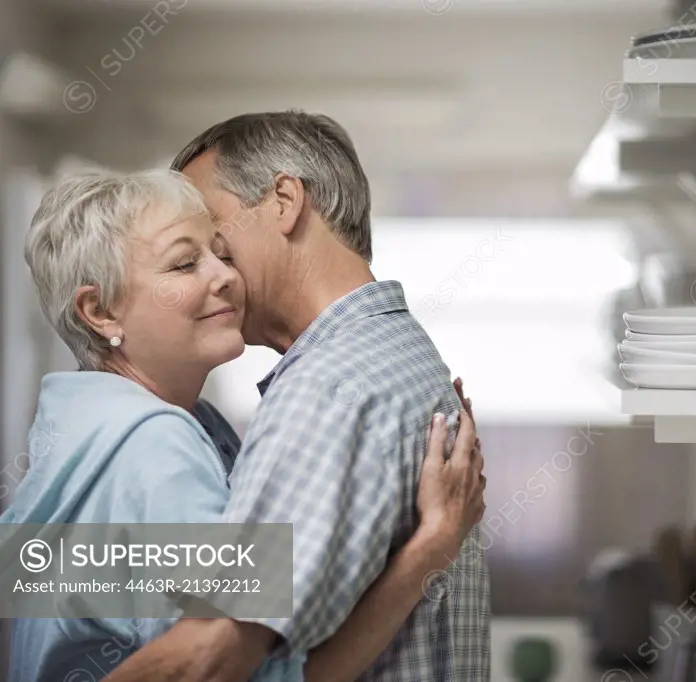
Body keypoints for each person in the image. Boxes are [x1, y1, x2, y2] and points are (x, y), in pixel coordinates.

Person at [4, 168, 486, 682]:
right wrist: (432, 545)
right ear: (99, 311)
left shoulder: (89, 430)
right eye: (185, 262)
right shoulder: (152, 448)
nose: (226, 275)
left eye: (221, 252)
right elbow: (239, 674)